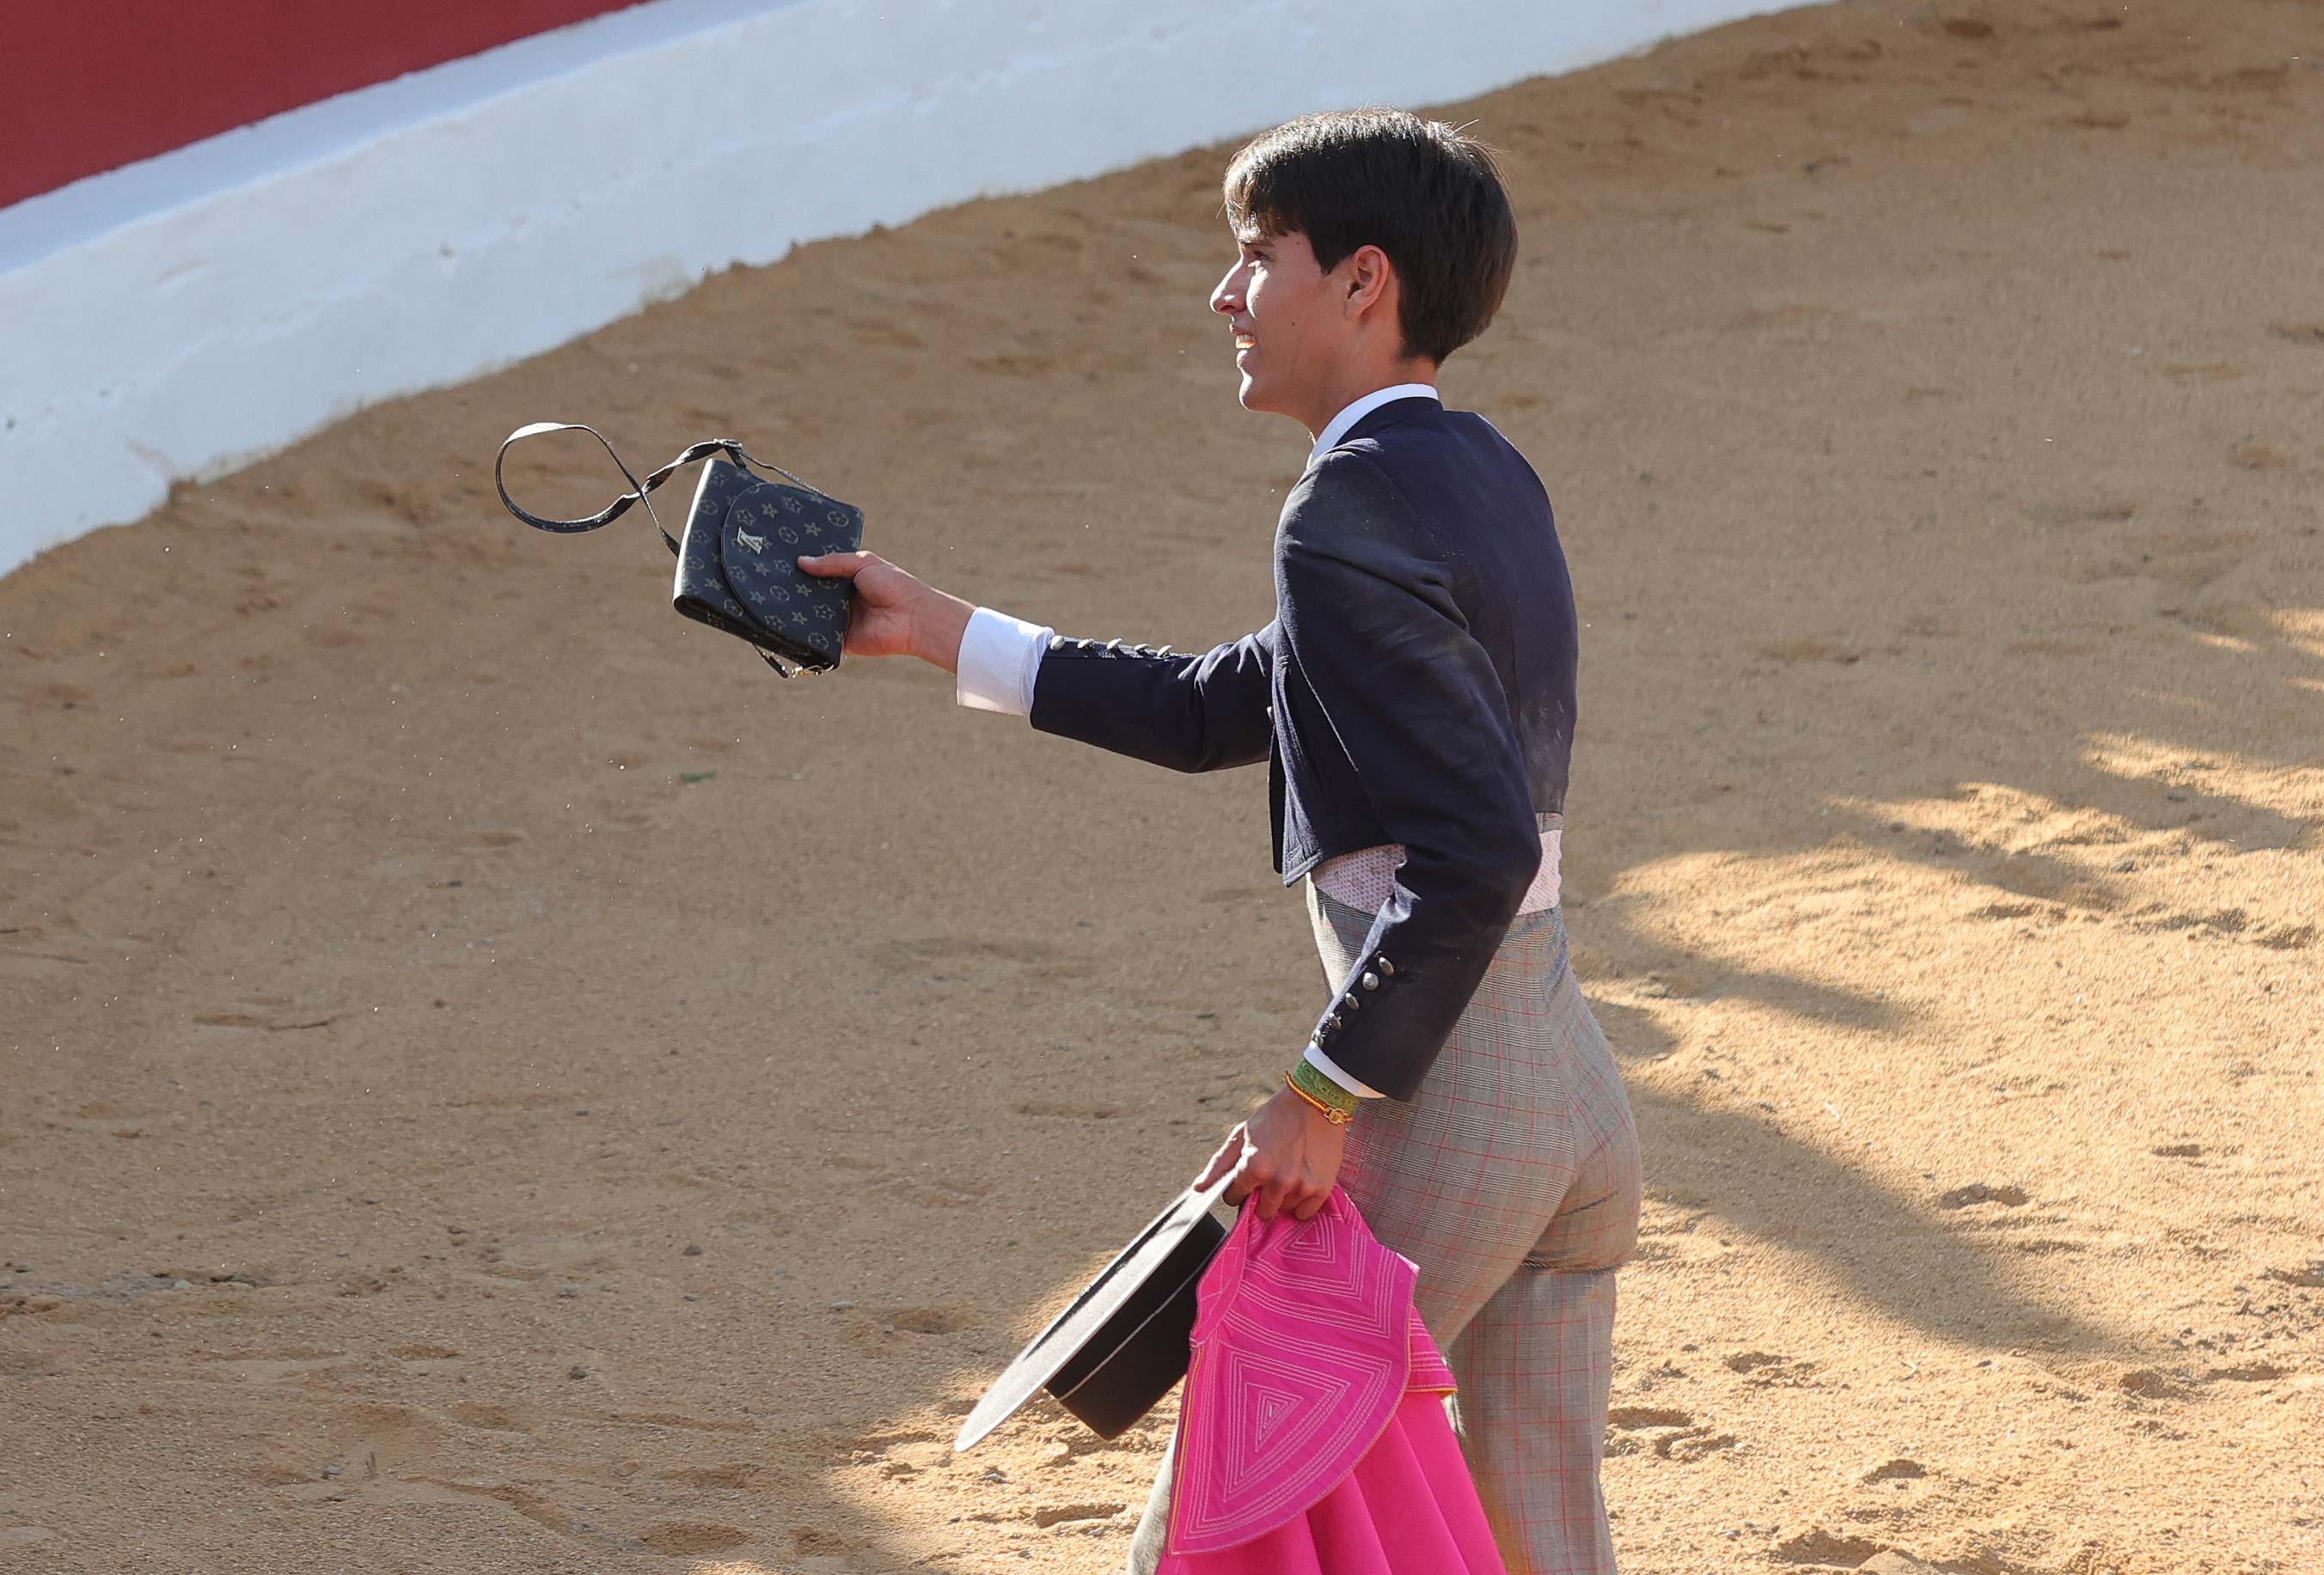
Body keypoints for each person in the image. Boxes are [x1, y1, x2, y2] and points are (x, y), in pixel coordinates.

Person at [800, 108, 1642, 1575]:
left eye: (1257, 258)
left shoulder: (1344, 510)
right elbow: (1224, 703)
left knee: (1214, 1524)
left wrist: (1321, 1090)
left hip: (1445, 1105)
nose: (1226, 295)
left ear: (1362, 282)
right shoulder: (1480, 471)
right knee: (1542, 1536)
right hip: (1562, 1084)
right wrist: (943, 631)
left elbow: (1476, 845)